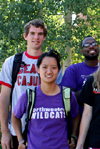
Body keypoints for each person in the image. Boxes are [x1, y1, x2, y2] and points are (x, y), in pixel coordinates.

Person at [0, 19, 62, 149]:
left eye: (40, 34)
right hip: (17, 130)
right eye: (32, 33)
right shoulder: (12, 62)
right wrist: (4, 131)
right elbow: (4, 97)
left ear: (44, 37)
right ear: (25, 36)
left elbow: (58, 98)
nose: (36, 37)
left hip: (45, 132)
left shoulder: (52, 65)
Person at [12, 49, 79, 149]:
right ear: (38, 69)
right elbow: (15, 116)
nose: (49, 71)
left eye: (53, 67)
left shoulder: (67, 95)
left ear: (58, 70)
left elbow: (76, 116)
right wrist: (20, 140)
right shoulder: (28, 96)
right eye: (44, 67)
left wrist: (73, 136)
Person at [61, 35, 99, 115]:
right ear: (81, 51)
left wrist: (80, 93)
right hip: (79, 120)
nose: (91, 46)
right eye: (86, 45)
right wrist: (97, 94)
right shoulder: (73, 69)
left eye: (94, 43)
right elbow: (67, 94)